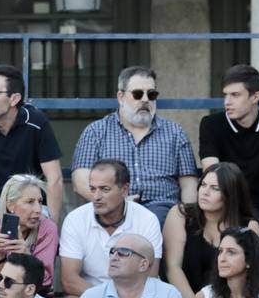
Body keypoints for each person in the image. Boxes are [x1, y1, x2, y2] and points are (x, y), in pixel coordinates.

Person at [71, 66, 199, 228]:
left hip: (164, 212)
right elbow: (80, 179)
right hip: (112, 208)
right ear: (121, 97)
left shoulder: (175, 132)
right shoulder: (96, 131)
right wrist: (113, 201)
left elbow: (189, 184)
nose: (145, 99)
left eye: (151, 94)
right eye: (138, 94)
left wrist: (189, 218)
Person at [0, 63, 65, 226]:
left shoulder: (37, 122)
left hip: (32, 203)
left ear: (14, 99)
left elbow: (55, 179)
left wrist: (53, 228)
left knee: (40, 227)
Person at [58, 159, 164, 298]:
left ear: (124, 189)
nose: (96, 196)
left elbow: (150, 276)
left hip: (136, 296)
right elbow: (69, 281)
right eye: (92, 189)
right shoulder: (75, 219)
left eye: (104, 189)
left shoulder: (146, 219)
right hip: (91, 295)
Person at [198, 64, 259, 227]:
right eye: (226, 95)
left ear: (255, 97)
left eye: (235, 95)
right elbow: (212, 170)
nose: (227, 102)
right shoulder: (211, 124)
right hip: (222, 208)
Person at [163, 163, 259, 298]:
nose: (205, 192)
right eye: (203, 185)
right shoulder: (180, 214)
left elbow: (247, 275)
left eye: (215, 188)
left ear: (230, 194)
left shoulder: (248, 227)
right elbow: (172, 267)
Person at [0, 174, 59, 293]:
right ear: (10, 205)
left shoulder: (47, 228)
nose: (38, 209)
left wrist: (26, 256)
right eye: (30, 202)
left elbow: (46, 281)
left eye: (40, 202)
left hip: (34, 295)